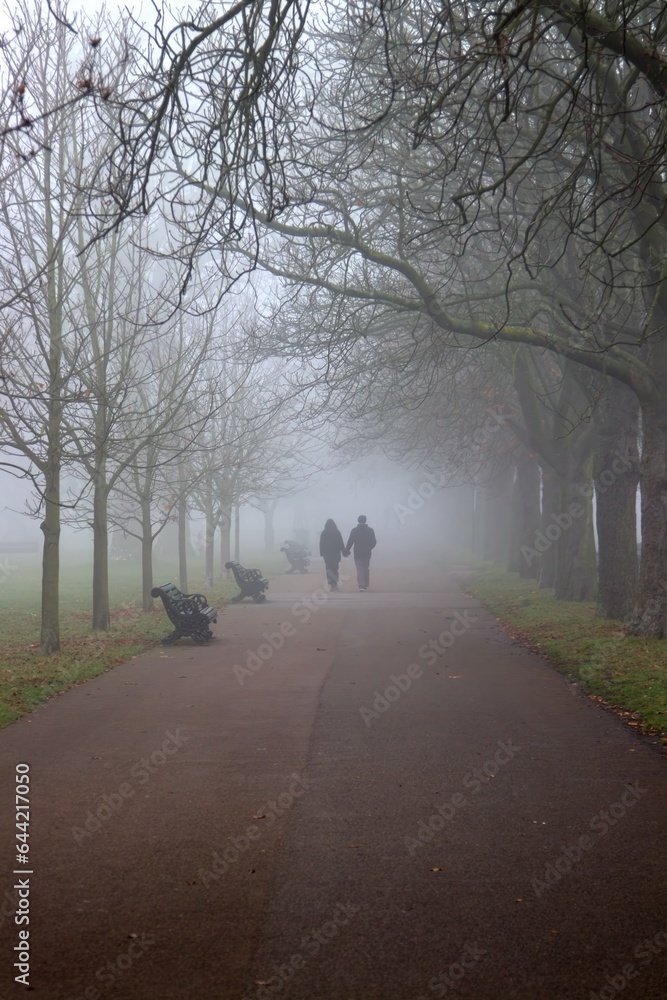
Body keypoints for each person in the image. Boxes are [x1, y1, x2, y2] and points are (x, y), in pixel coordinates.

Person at [344, 515, 377, 591]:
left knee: (359, 569)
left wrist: (346, 551)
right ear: (365, 520)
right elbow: (374, 542)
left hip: (357, 553)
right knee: (365, 568)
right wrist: (369, 548)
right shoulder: (370, 530)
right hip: (367, 553)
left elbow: (350, 541)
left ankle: (361, 585)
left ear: (358, 521)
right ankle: (365, 584)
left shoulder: (354, 530)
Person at [319, 519, 346, 591]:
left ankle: (331, 584)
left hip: (327, 554)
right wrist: (344, 552)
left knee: (328, 569)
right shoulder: (337, 532)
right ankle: (335, 583)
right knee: (335, 568)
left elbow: (321, 544)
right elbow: (341, 543)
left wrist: (322, 553)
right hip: (336, 554)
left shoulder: (324, 533)